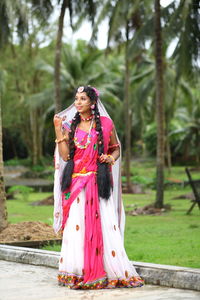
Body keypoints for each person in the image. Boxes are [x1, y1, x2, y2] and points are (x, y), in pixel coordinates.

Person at [53, 86, 144, 289]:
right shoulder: (70, 125)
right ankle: (76, 273)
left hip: (97, 182)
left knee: (103, 227)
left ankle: (106, 270)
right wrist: (58, 129)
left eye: (82, 99)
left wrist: (109, 158)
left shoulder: (105, 123)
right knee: (77, 228)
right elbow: (66, 156)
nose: (77, 102)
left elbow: (116, 148)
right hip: (76, 184)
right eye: (76, 99)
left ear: (92, 103)